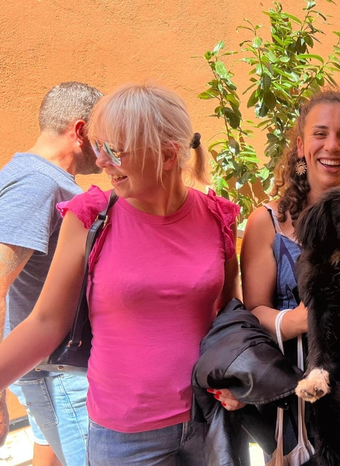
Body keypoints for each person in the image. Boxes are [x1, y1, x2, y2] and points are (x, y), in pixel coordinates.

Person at [0, 82, 240, 465]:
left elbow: (229, 317)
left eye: (114, 150)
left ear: (167, 155)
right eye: (99, 147)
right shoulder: (89, 217)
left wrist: (240, 377)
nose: (101, 162)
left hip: (210, 422)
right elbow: (46, 323)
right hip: (125, 437)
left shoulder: (217, 217)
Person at [238, 89, 340, 464]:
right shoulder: (267, 223)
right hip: (294, 400)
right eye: (320, 133)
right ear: (300, 145)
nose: (332, 146)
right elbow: (254, 313)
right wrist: (297, 320)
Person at [0, 81, 102, 466]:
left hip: (51, 368)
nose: (109, 146)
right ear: (80, 131)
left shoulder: (38, 177)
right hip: (58, 369)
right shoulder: (38, 184)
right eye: (103, 133)